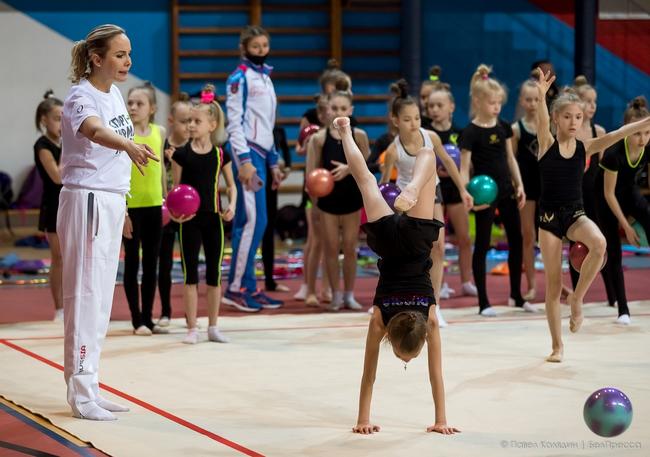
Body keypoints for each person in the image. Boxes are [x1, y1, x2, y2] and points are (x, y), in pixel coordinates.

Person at [331, 116, 459, 435]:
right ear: (391, 335)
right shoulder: (380, 320)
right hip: (389, 242)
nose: (408, 361)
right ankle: (345, 131)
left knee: (425, 157)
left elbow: (429, 374)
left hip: (415, 241)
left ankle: (414, 184)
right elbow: (370, 375)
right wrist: (439, 421)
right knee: (364, 180)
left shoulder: (427, 318)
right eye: (409, 357)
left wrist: (364, 419)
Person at [59, 24, 158, 420]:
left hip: (111, 202)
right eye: (119, 55)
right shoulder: (79, 96)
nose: (127, 62)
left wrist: (126, 208)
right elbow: (94, 131)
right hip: (88, 200)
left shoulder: (114, 93)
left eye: (129, 54)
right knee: (84, 298)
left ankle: (91, 386)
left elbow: (113, 157)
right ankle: (80, 394)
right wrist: (129, 144)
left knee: (100, 301)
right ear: (96, 58)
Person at [533, 69, 650, 362]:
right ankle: (557, 346)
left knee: (600, 244)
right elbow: (541, 119)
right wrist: (541, 94)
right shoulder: (547, 144)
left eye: (579, 117)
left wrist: (647, 121)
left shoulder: (586, 147)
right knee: (552, 284)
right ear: (557, 118)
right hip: (548, 220)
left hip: (574, 214)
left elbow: (618, 134)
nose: (574, 122)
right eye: (568, 117)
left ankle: (577, 299)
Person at [381, 80, 473, 326]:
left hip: (432, 194)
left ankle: (435, 305)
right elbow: (384, 185)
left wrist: (463, 189)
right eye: (408, 119)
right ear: (396, 120)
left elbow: (450, 163)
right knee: (406, 253)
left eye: (417, 119)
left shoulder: (430, 136)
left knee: (438, 248)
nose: (414, 124)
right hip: (405, 200)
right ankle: (394, 298)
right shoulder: (393, 150)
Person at [459, 64, 533, 316]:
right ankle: (483, 301)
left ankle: (516, 295)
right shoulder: (469, 132)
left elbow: (510, 159)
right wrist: (465, 192)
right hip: (484, 193)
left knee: (517, 239)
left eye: (499, 102)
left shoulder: (504, 127)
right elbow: (464, 167)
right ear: (478, 101)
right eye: (492, 102)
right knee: (482, 243)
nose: (497, 107)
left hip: (506, 189)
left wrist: (519, 184)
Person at [223, 25, 284, 311]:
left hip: (262, 153)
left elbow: (268, 125)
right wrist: (245, 161)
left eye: (264, 45)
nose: (261, 50)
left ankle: (248, 283)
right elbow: (233, 123)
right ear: (244, 48)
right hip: (246, 151)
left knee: (256, 223)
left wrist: (273, 162)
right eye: (256, 46)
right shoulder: (239, 78)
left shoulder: (266, 78)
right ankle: (235, 288)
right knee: (250, 222)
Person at [171, 85, 236, 343]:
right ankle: (192, 328)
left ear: (212, 125)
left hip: (213, 218)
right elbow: (175, 190)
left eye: (196, 121)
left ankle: (213, 326)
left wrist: (232, 205)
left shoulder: (220, 154)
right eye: (188, 121)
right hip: (189, 220)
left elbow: (231, 185)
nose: (190, 125)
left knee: (214, 273)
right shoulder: (181, 155)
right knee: (189, 274)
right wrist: (175, 214)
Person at [306, 90, 369, 310]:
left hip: (351, 199)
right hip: (328, 202)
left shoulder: (358, 135)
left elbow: (366, 163)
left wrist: (349, 168)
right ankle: (335, 294)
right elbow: (312, 173)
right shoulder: (319, 139)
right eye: (334, 109)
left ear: (350, 111)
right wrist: (314, 207)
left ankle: (349, 294)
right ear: (326, 111)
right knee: (331, 248)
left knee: (350, 248)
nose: (339, 112)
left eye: (343, 109)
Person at [596, 96, 650, 325]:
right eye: (637, 133)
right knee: (614, 253)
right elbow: (609, 194)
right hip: (604, 198)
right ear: (626, 131)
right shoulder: (613, 154)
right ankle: (623, 309)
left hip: (628, 192)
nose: (643, 139)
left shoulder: (648, 147)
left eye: (647, 133)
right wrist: (626, 227)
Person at [424, 69, 477, 297]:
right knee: (436, 242)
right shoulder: (425, 134)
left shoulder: (460, 133)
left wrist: (460, 177)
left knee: (464, 238)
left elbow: (467, 164)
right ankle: (440, 283)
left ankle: (466, 280)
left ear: (451, 107)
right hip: (434, 190)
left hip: (455, 190)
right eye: (431, 106)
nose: (434, 109)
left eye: (439, 105)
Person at [123, 82, 167, 336]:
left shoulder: (159, 132)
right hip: (132, 208)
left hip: (154, 206)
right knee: (132, 262)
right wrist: (124, 211)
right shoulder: (123, 134)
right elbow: (116, 173)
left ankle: (149, 318)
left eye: (139, 103)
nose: (133, 107)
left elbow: (160, 169)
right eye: (130, 103)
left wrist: (165, 201)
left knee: (152, 263)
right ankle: (136, 318)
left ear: (152, 108)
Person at [568, 76, 610, 301]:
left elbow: (600, 170)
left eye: (594, 101)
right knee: (575, 248)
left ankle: (612, 295)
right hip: (574, 200)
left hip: (593, 197)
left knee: (601, 244)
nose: (592, 106)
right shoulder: (569, 133)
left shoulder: (599, 131)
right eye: (587, 101)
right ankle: (577, 294)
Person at [157, 93, 191, 327]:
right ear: (171, 121)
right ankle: (166, 312)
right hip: (166, 211)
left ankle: (191, 313)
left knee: (190, 263)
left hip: (190, 212)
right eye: (183, 121)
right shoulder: (162, 145)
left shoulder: (195, 148)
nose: (188, 126)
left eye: (192, 121)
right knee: (165, 264)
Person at [33, 90, 64, 321]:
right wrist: (70, 149)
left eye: (64, 118)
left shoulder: (66, 143)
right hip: (53, 205)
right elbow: (57, 176)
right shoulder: (42, 145)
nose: (61, 123)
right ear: (44, 120)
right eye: (56, 118)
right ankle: (60, 308)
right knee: (59, 257)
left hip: (72, 202)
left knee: (75, 257)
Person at [511, 78, 541, 301]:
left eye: (536, 100)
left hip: (548, 186)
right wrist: (517, 185)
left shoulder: (549, 126)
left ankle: (556, 285)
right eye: (528, 100)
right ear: (522, 101)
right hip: (527, 187)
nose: (532, 104)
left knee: (553, 238)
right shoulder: (516, 129)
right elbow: (511, 159)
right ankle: (531, 284)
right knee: (528, 236)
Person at [261, 125, 292, 293]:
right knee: (249, 232)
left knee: (268, 231)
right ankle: (242, 283)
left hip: (271, 186)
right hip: (254, 184)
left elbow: (286, 152)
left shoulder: (278, 130)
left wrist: (286, 167)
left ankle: (269, 281)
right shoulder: (251, 128)